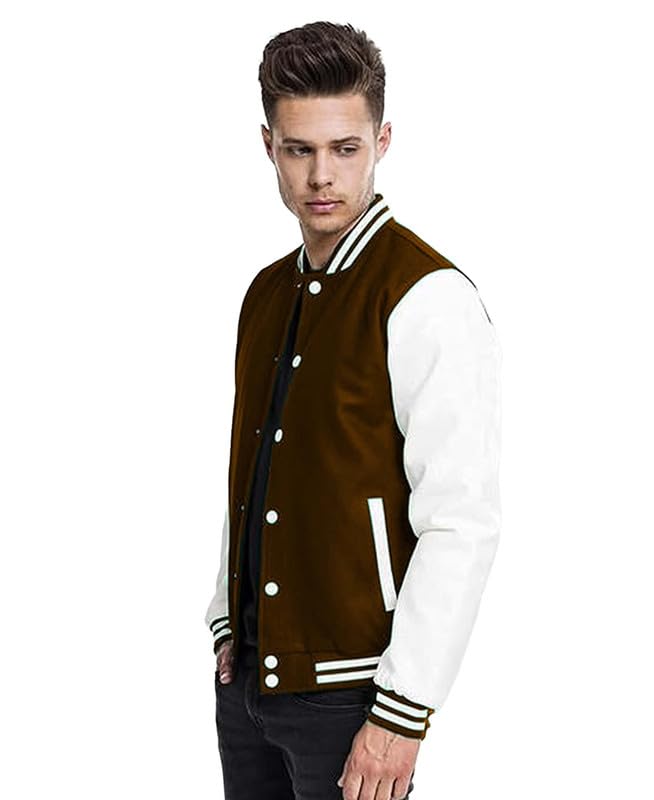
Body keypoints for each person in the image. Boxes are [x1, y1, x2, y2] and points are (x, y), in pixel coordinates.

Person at [204, 20, 502, 800]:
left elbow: (461, 521)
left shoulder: (426, 298)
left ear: (382, 141)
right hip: (249, 686)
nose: (321, 176)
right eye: (299, 149)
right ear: (268, 146)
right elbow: (254, 473)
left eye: (345, 148)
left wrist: (403, 713)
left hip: (356, 699)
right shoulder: (266, 294)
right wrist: (226, 618)